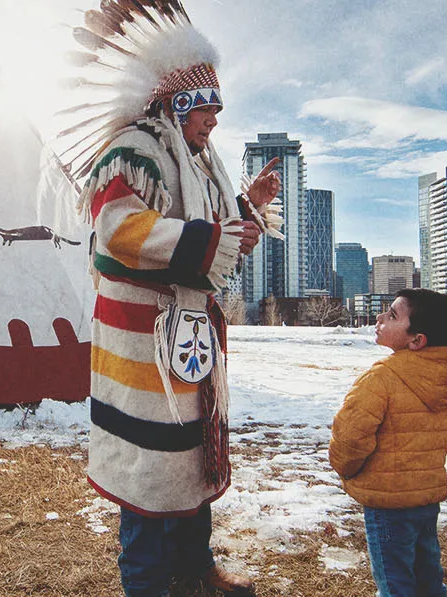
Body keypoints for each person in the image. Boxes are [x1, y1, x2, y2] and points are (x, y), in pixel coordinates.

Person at [67, 3, 283, 595]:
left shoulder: (198, 160)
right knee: (150, 469)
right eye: (206, 106)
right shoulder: (134, 151)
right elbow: (118, 230)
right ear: (176, 101)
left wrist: (247, 208)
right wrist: (217, 235)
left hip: (189, 337)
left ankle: (195, 574)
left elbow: (207, 231)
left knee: (191, 458)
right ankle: (144, 584)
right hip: (142, 341)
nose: (214, 119)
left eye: (217, 107)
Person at [331, 288, 447, 597]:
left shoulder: (382, 378)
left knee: (394, 581)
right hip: (425, 495)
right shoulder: (443, 376)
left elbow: (351, 434)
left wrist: (346, 469)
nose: (380, 317)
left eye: (392, 315)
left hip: (388, 500)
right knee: (427, 572)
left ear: (416, 340)